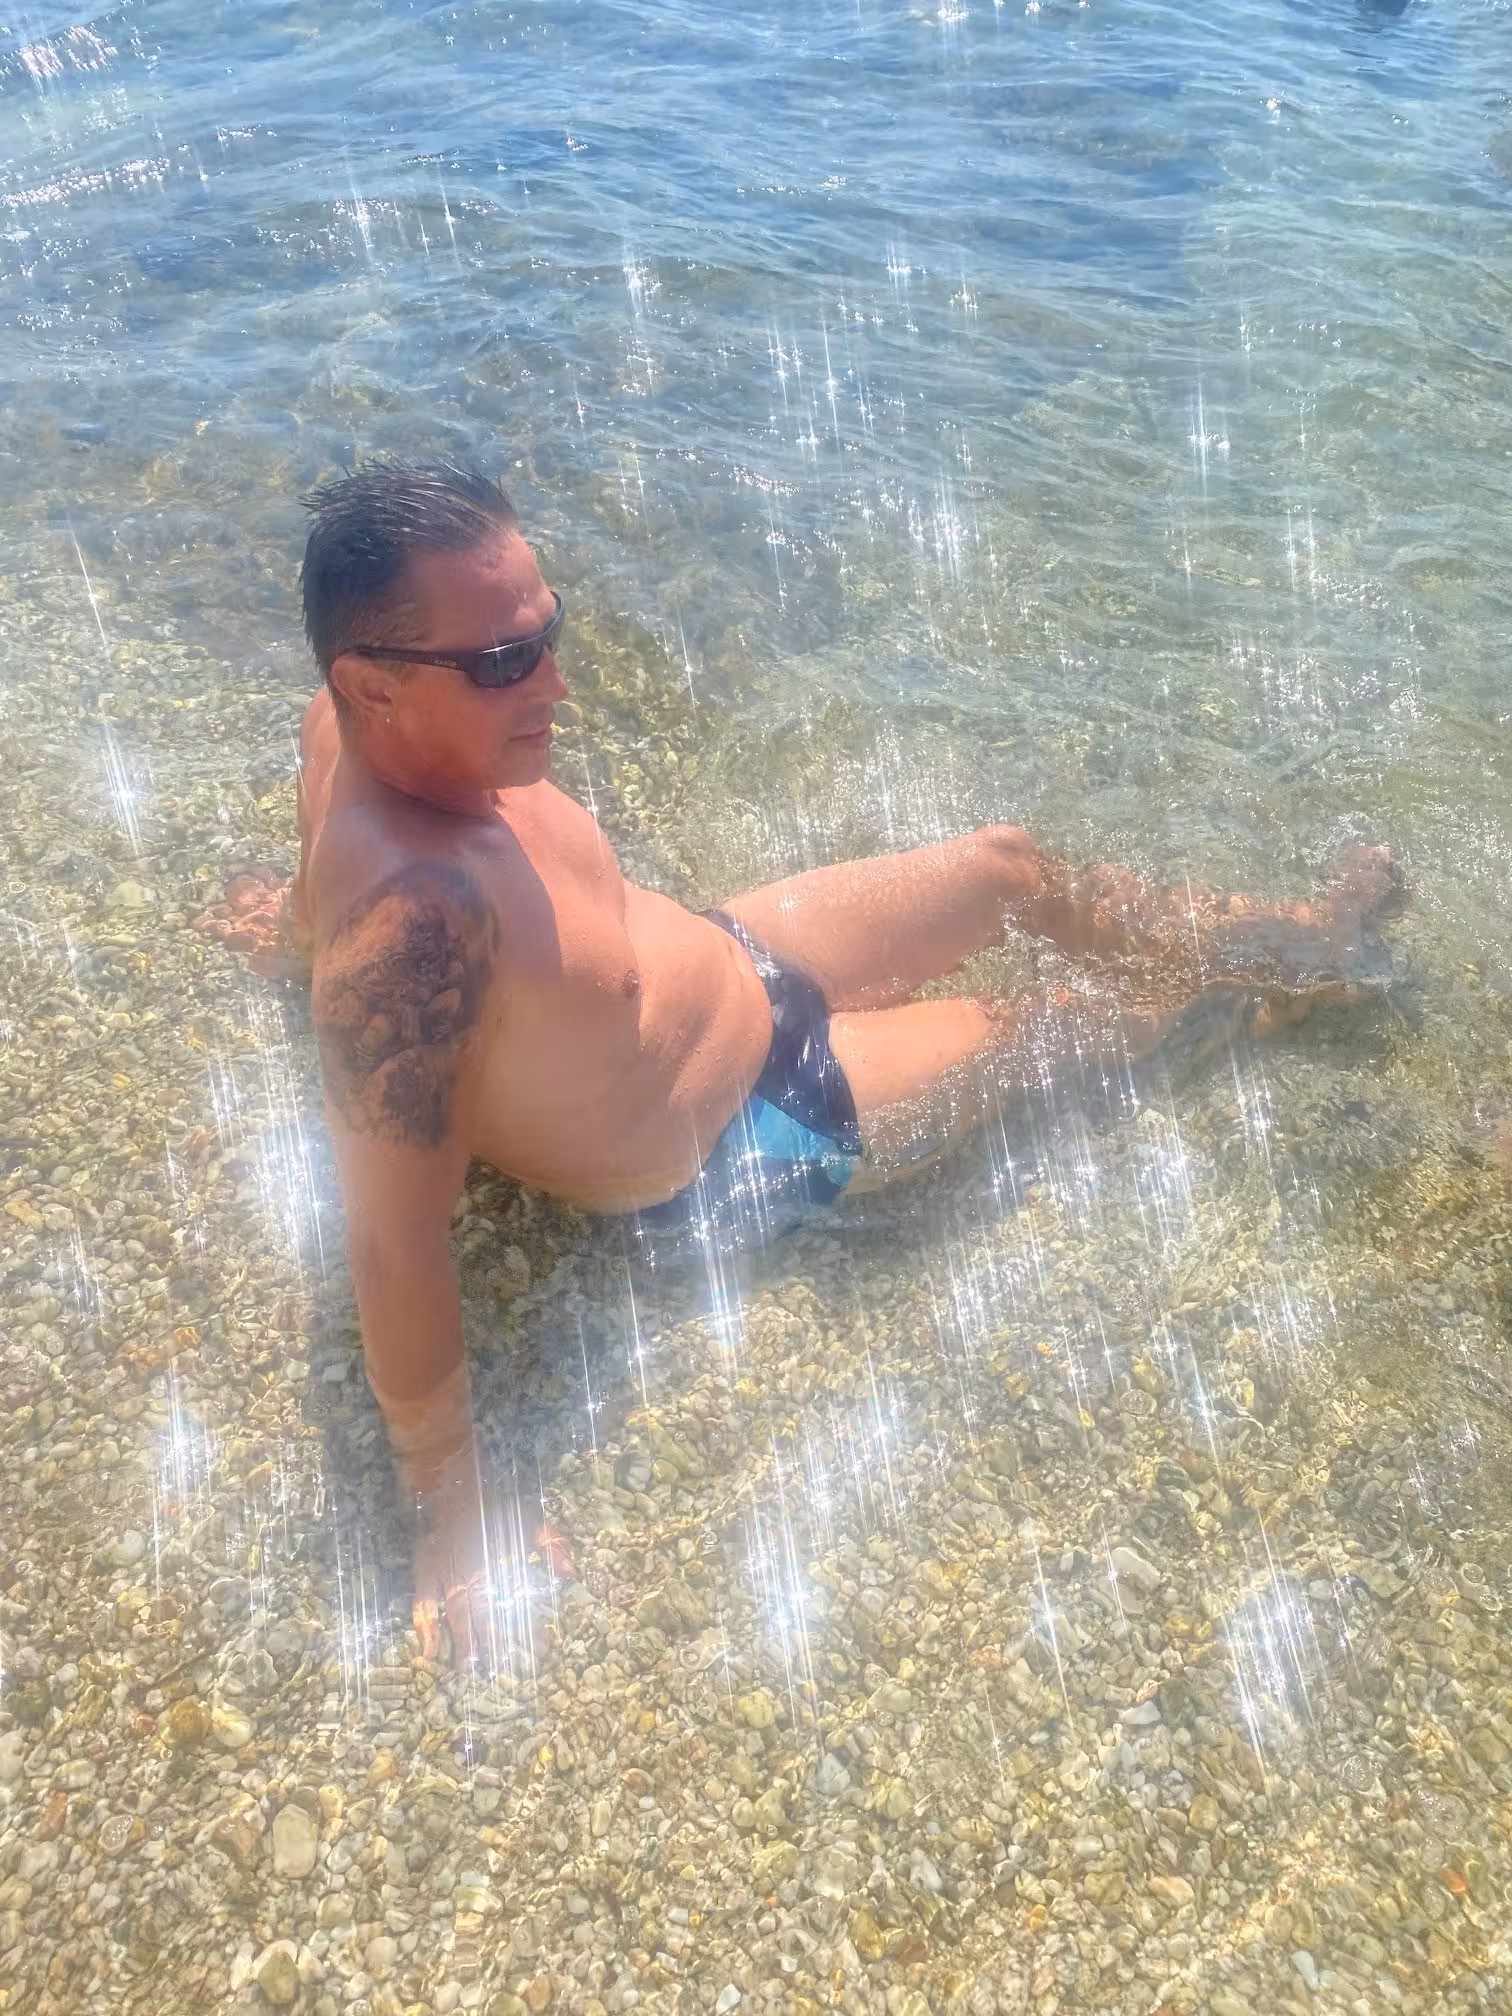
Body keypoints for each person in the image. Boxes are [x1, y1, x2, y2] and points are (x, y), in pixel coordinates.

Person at [198, 460, 1407, 1665]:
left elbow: (320, 865)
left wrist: (297, 939)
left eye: (549, 630)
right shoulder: (411, 935)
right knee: (1054, 1026)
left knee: (1008, 866)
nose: (558, 680)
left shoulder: (343, 730)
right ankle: (1259, 1007)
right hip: (750, 1130)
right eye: (509, 660)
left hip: (732, 960)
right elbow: (393, 1242)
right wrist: (451, 1501)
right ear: (373, 681)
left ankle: (1292, 935)